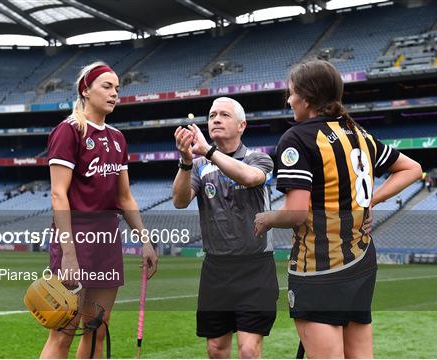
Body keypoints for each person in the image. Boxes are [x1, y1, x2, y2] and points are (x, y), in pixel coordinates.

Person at [254, 60, 422, 358]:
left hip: (320, 266)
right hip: (361, 260)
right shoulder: (359, 134)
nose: (288, 100)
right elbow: (412, 169)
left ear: (306, 97)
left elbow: (295, 213)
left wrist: (267, 218)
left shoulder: (297, 138)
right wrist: (370, 201)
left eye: (291, 93)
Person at [42, 61, 158, 358]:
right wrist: (68, 254)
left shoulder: (118, 139)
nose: (114, 93)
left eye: (117, 88)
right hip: (76, 241)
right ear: (86, 90)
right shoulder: (69, 131)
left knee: (98, 327)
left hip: (107, 241)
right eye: (107, 86)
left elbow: (125, 198)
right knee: (64, 330)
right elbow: (58, 194)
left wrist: (145, 239)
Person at [172, 97, 278, 358]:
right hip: (216, 269)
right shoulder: (198, 166)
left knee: (249, 349)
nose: (215, 119)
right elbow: (179, 200)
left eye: (224, 115)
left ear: (242, 125)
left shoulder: (259, 158)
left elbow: (250, 177)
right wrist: (186, 161)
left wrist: (208, 151)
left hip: (255, 267)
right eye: (211, 115)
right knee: (216, 349)